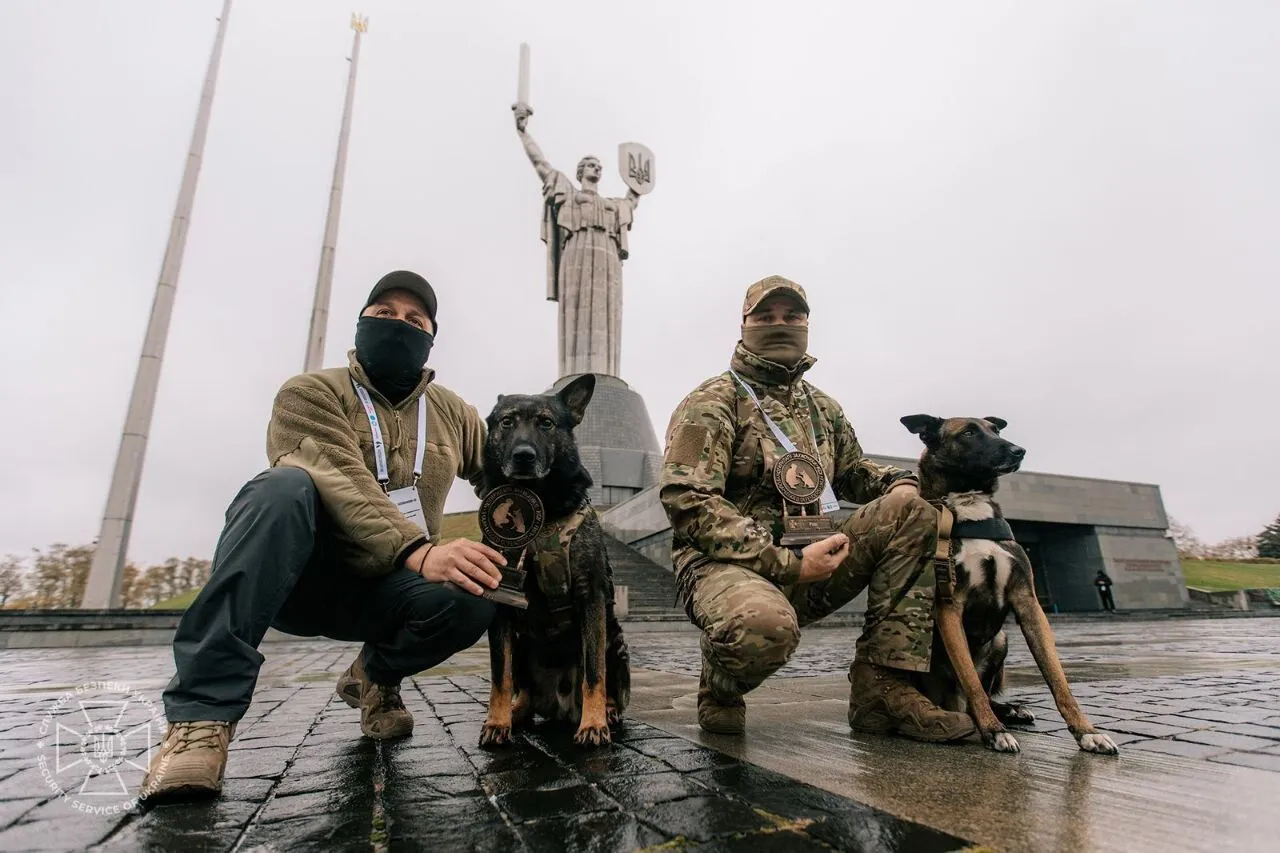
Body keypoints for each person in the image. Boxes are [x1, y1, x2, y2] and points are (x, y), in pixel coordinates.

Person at [142, 271, 506, 801]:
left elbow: (500, 471)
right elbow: (339, 474)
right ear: (360, 323)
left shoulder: (451, 412)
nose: (398, 325)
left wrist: (549, 513)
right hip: (305, 580)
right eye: (383, 314)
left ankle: (374, 677)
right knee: (279, 489)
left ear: (431, 337)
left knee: (476, 591)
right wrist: (418, 550)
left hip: (390, 588)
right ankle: (201, 721)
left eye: (414, 319)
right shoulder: (311, 392)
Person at [659, 275, 976, 742]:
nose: (780, 324)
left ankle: (881, 690)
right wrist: (785, 563)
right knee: (762, 629)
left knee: (915, 513)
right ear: (743, 325)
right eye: (765, 316)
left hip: (817, 554)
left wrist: (903, 483)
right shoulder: (713, 401)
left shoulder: (821, 407)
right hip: (725, 567)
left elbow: (852, 471)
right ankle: (722, 688)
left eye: (792, 316)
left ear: (808, 323)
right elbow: (687, 498)